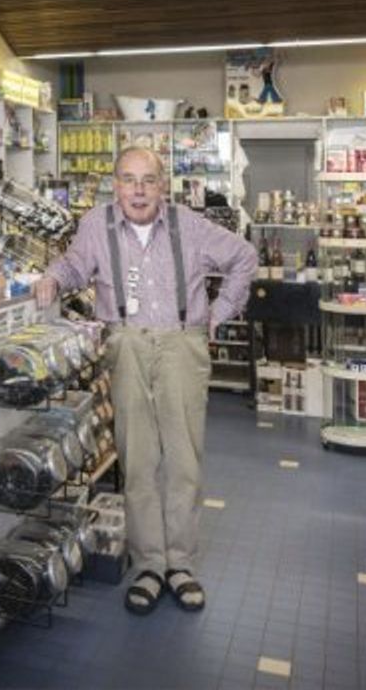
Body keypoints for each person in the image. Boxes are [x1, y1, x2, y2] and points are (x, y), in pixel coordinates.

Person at [35, 147, 257, 614]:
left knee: (183, 459)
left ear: (162, 185)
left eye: (148, 180)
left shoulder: (188, 224)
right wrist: (53, 277)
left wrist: (218, 314)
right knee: (137, 461)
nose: (138, 190)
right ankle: (149, 565)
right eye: (129, 179)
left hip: (181, 345)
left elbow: (243, 256)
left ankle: (180, 564)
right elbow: (76, 265)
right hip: (126, 346)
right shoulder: (96, 224)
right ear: (115, 184)